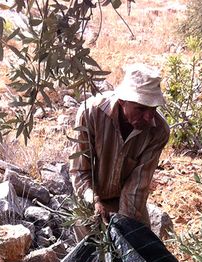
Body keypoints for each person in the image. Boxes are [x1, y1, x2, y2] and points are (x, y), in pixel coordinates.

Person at [69, 64, 170, 232]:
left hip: (128, 201)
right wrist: (93, 200)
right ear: (123, 102)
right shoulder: (91, 113)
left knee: (139, 248)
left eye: (153, 109)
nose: (149, 117)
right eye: (141, 109)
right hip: (91, 197)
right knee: (93, 252)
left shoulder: (158, 131)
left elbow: (137, 186)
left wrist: (123, 225)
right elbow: (80, 170)